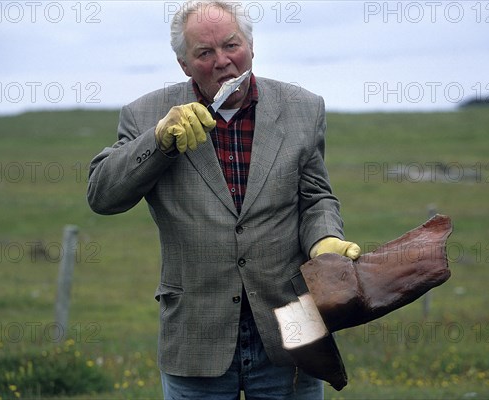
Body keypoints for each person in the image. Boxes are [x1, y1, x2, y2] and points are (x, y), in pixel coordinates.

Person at [87, 1, 360, 398]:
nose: (222, 61)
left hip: (292, 327)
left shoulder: (304, 108)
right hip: (195, 335)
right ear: (184, 64)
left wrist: (324, 241)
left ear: (251, 45)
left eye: (232, 46)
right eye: (204, 53)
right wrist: (158, 141)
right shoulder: (145, 113)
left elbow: (315, 197)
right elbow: (102, 195)